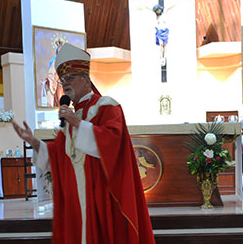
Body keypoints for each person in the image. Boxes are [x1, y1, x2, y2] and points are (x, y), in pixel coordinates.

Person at [11, 43, 155, 244]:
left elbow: (113, 143)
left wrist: (77, 123)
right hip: (75, 200)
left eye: (70, 78)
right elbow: (58, 155)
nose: (66, 83)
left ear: (86, 79)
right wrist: (34, 142)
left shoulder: (106, 106)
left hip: (101, 196)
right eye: (63, 80)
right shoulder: (71, 117)